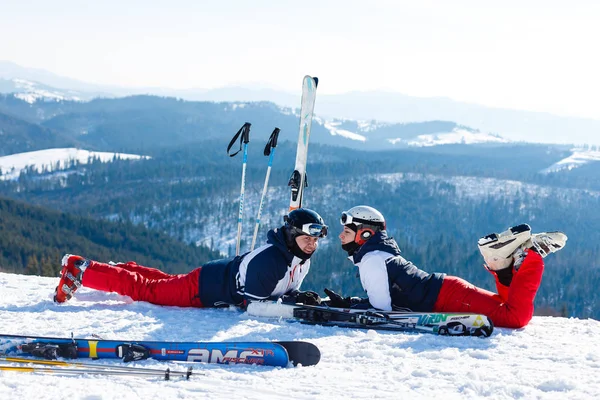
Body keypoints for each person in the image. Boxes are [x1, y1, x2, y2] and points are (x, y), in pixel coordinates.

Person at [324, 205, 567, 329]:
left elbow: (383, 311)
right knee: (507, 303)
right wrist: (351, 303)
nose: (340, 236)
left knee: (516, 317)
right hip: (448, 291)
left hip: (447, 299)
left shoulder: (372, 261)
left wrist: (349, 307)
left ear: (365, 233)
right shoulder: (378, 254)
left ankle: (531, 254)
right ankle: (504, 263)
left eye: (346, 231)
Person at [54, 208, 328, 308]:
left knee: (163, 281)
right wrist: (290, 303)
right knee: (146, 290)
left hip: (212, 277)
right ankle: (83, 270)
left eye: (315, 240)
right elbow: (253, 306)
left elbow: (278, 291)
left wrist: (297, 296)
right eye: (307, 238)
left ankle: (117, 270)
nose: (312, 245)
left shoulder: (298, 257)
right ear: (292, 235)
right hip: (204, 290)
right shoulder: (272, 261)